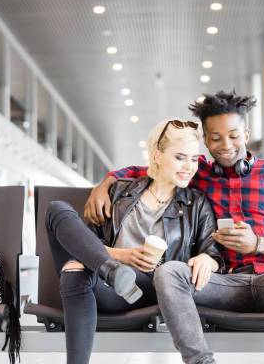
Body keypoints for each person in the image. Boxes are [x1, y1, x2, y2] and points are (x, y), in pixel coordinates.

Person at [85, 90, 264, 364]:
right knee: (169, 272)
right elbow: (152, 168)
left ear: (246, 134)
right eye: (216, 138)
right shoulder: (198, 173)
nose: (226, 145)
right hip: (222, 284)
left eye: (234, 135)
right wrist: (106, 183)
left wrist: (257, 243)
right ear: (206, 141)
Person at [46, 119, 223, 364]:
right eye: (180, 157)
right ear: (158, 156)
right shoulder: (118, 191)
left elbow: (214, 253)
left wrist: (207, 259)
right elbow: (83, 244)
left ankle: (110, 271)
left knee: (75, 271)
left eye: (194, 159)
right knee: (57, 214)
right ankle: (111, 270)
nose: (189, 167)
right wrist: (120, 257)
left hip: (148, 289)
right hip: (106, 281)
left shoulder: (197, 204)